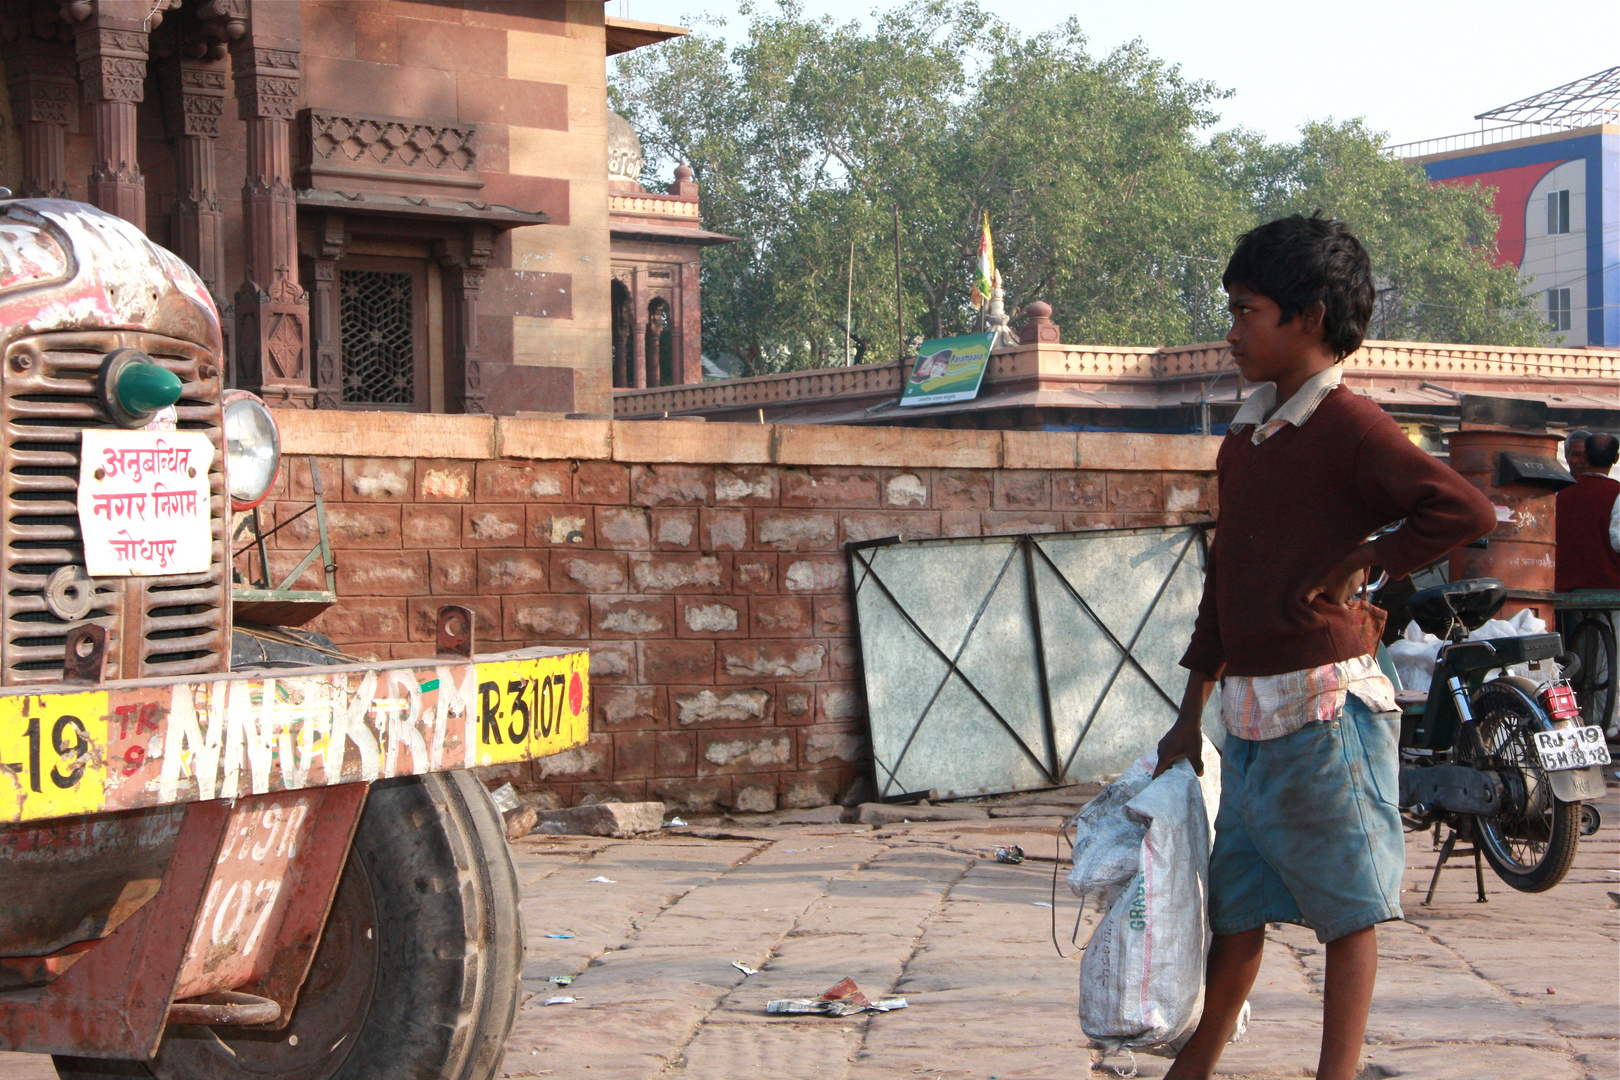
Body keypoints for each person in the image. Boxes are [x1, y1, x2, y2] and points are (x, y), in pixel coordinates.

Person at [1153, 214, 1497, 1080]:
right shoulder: (1246, 440)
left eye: (1246, 312)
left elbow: (1464, 512)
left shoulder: (1353, 427)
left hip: (1327, 708)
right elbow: (1222, 584)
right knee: (1237, 906)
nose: (1231, 331)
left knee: (1349, 911)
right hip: (1248, 713)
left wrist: (1365, 560)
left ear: (1305, 317)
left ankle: (1335, 1073)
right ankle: (1194, 1065)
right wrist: (1187, 714)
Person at [1553, 431, 1620, 737]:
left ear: (1585, 457)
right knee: (1612, 660)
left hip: (1568, 589)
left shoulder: (1560, 493)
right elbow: (1617, 540)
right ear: (1615, 460)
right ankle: (1610, 726)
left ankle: (1574, 719)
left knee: (1575, 658)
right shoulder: (1617, 494)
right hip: (1610, 587)